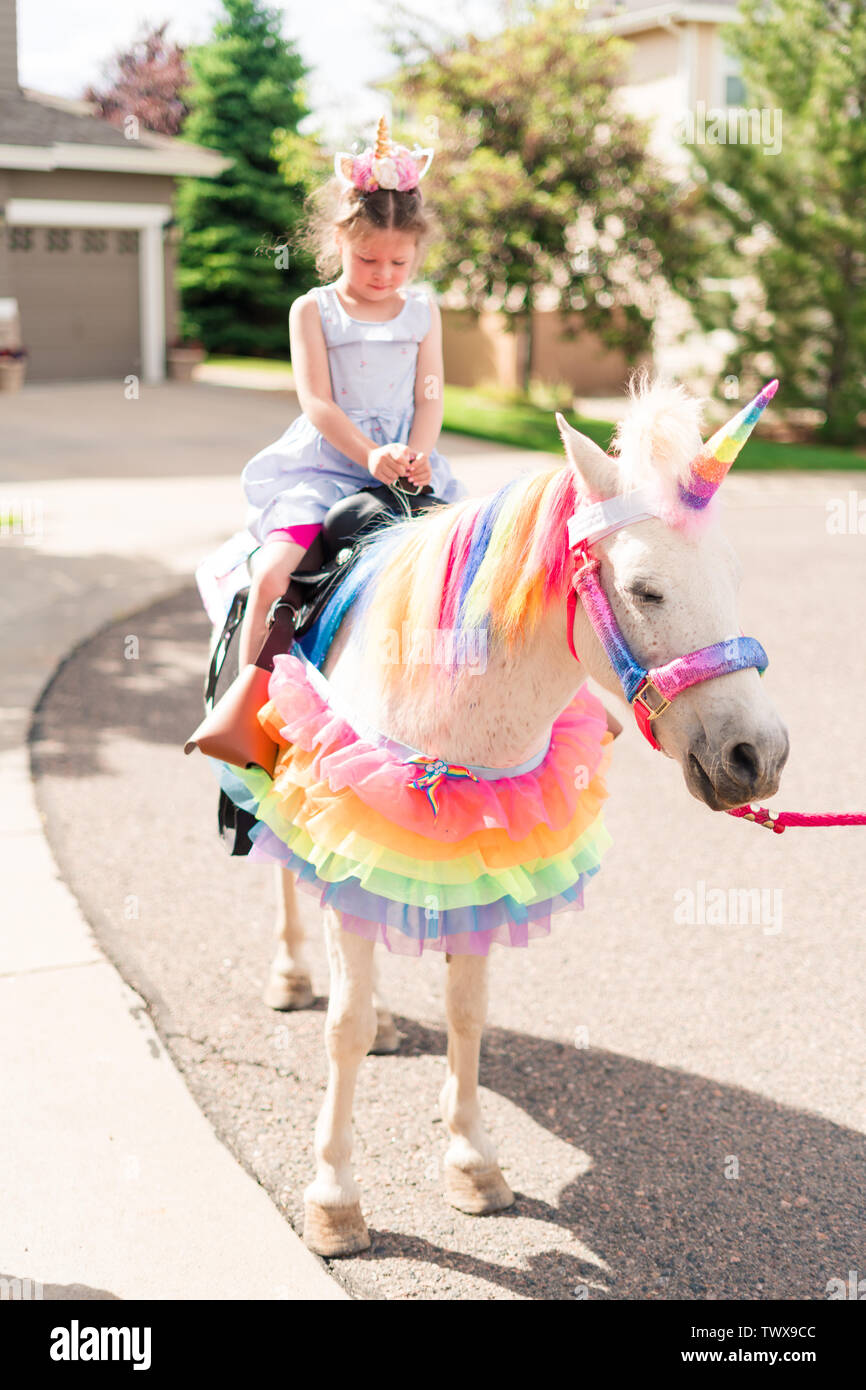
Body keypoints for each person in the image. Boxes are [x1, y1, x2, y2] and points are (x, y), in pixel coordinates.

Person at [231, 116, 466, 667]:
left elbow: (430, 396)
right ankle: (248, 702)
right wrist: (369, 455)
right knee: (272, 575)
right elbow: (317, 401)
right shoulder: (314, 309)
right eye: (367, 259)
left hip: (406, 468)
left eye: (399, 262)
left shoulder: (422, 310)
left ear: (417, 253)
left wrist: (417, 456)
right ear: (340, 240)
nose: (383, 274)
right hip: (326, 467)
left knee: (461, 576)